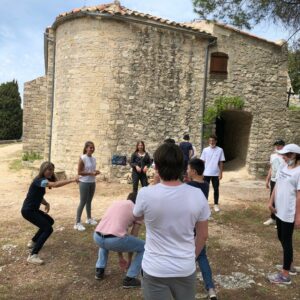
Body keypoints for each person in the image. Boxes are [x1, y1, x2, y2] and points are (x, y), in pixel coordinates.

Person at [133, 143, 210, 300]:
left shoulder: (145, 194)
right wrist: (191, 257)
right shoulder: (197, 195)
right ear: (182, 167)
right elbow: (202, 236)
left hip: (154, 268)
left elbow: (137, 216)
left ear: (157, 167)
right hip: (184, 267)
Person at [21, 162, 78, 265]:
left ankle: (33, 242)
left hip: (32, 209)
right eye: (49, 169)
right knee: (48, 229)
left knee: (49, 221)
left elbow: (37, 195)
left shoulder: (42, 181)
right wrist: (73, 180)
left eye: (52, 170)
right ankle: (33, 255)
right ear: (43, 170)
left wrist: (46, 203)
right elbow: (55, 185)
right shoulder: (39, 180)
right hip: (28, 211)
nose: (51, 172)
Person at [93, 193, 144, 288]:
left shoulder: (116, 203)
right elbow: (133, 236)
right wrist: (129, 260)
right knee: (144, 247)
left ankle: (99, 270)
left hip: (97, 236)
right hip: (114, 240)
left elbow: (115, 232)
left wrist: (120, 257)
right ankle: (130, 278)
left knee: (105, 242)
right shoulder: (137, 211)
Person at [267, 144, 300, 285]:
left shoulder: (299, 171)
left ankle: (285, 275)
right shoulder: (283, 167)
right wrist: (270, 202)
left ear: (295, 155)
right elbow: (277, 186)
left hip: (289, 213)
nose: (284, 157)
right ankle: (290, 265)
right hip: (279, 210)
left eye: (286, 155)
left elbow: (299, 196)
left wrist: (298, 216)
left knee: (286, 242)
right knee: (281, 237)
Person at [187, 158, 217, 300]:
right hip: (200, 223)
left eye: (188, 169)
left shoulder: (189, 185)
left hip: (189, 225)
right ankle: (210, 288)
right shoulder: (205, 185)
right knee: (202, 256)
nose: (187, 171)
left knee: (188, 257)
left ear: (193, 171)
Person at [74, 141, 100, 231]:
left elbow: (91, 170)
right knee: (83, 202)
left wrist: (96, 172)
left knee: (89, 201)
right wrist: (91, 173)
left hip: (92, 182)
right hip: (84, 182)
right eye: (90, 147)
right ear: (86, 148)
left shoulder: (94, 159)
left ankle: (89, 218)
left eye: (93, 148)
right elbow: (79, 172)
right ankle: (77, 222)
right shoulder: (82, 158)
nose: (92, 149)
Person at [200, 135, 225, 212]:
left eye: (213, 140)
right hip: (206, 173)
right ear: (208, 141)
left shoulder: (220, 150)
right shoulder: (205, 150)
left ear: (216, 141)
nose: (211, 142)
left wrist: (220, 173)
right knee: (205, 189)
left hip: (215, 173)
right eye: (210, 140)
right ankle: (204, 205)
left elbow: (221, 162)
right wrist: (201, 173)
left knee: (216, 189)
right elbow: (202, 162)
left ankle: (216, 205)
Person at [264, 139, 285, 226]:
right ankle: (273, 218)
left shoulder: (286, 156)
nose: (278, 147)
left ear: (283, 146)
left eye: (279, 145)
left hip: (282, 181)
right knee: (272, 199)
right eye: (276, 145)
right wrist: (267, 179)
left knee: (280, 199)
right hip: (273, 180)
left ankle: (279, 220)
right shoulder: (273, 156)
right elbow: (272, 168)